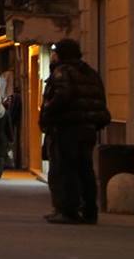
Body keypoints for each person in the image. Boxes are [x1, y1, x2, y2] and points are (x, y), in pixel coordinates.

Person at [39, 38, 110, 224]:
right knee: (85, 169)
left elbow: (62, 96)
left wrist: (48, 113)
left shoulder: (62, 72)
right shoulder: (90, 73)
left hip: (66, 127)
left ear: (62, 54)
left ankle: (67, 210)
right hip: (87, 128)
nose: (53, 55)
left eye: (55, 52)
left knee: (64, 169)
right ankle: (89, 210)